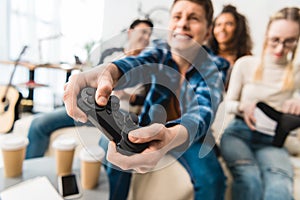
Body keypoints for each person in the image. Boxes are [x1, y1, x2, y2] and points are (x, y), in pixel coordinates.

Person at [63, 0, 229, 199]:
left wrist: (171, 136)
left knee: (213, 180)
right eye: (177, 17)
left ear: (208, 31)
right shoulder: (159, 53)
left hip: (192, 138)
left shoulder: (216, 65)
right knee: (118, 151)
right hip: (149, 125)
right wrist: (110, 72)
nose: (182, 24)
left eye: (193, 18)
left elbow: (203, 109)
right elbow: (136, 64)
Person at [25, 18, 154, 159]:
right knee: (38, 124)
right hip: (93, 106)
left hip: (122, 113)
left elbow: (148, 100)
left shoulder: (150, 66)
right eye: (143, 32)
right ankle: (33, 175)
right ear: (130, 33)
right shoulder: (110, 55)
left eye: (149, 34)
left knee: (111, 143)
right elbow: (89, 76)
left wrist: (128, 96)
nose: (146, 37)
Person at [219, 7, 300, 200]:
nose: (280, 48)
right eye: (275, 40)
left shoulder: (296, 73)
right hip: (237, 134)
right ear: (266, 35)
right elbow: (225, 104)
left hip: (272, 141)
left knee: (279, 185)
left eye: (289, 42)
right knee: (249, 178)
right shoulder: (245, 64)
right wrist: (242, 107)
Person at [208, 4, 252, 90]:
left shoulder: (247, 59)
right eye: (218, 24)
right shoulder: (205, 57)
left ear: (238, 28)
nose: (222, 29)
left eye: (228, 24)